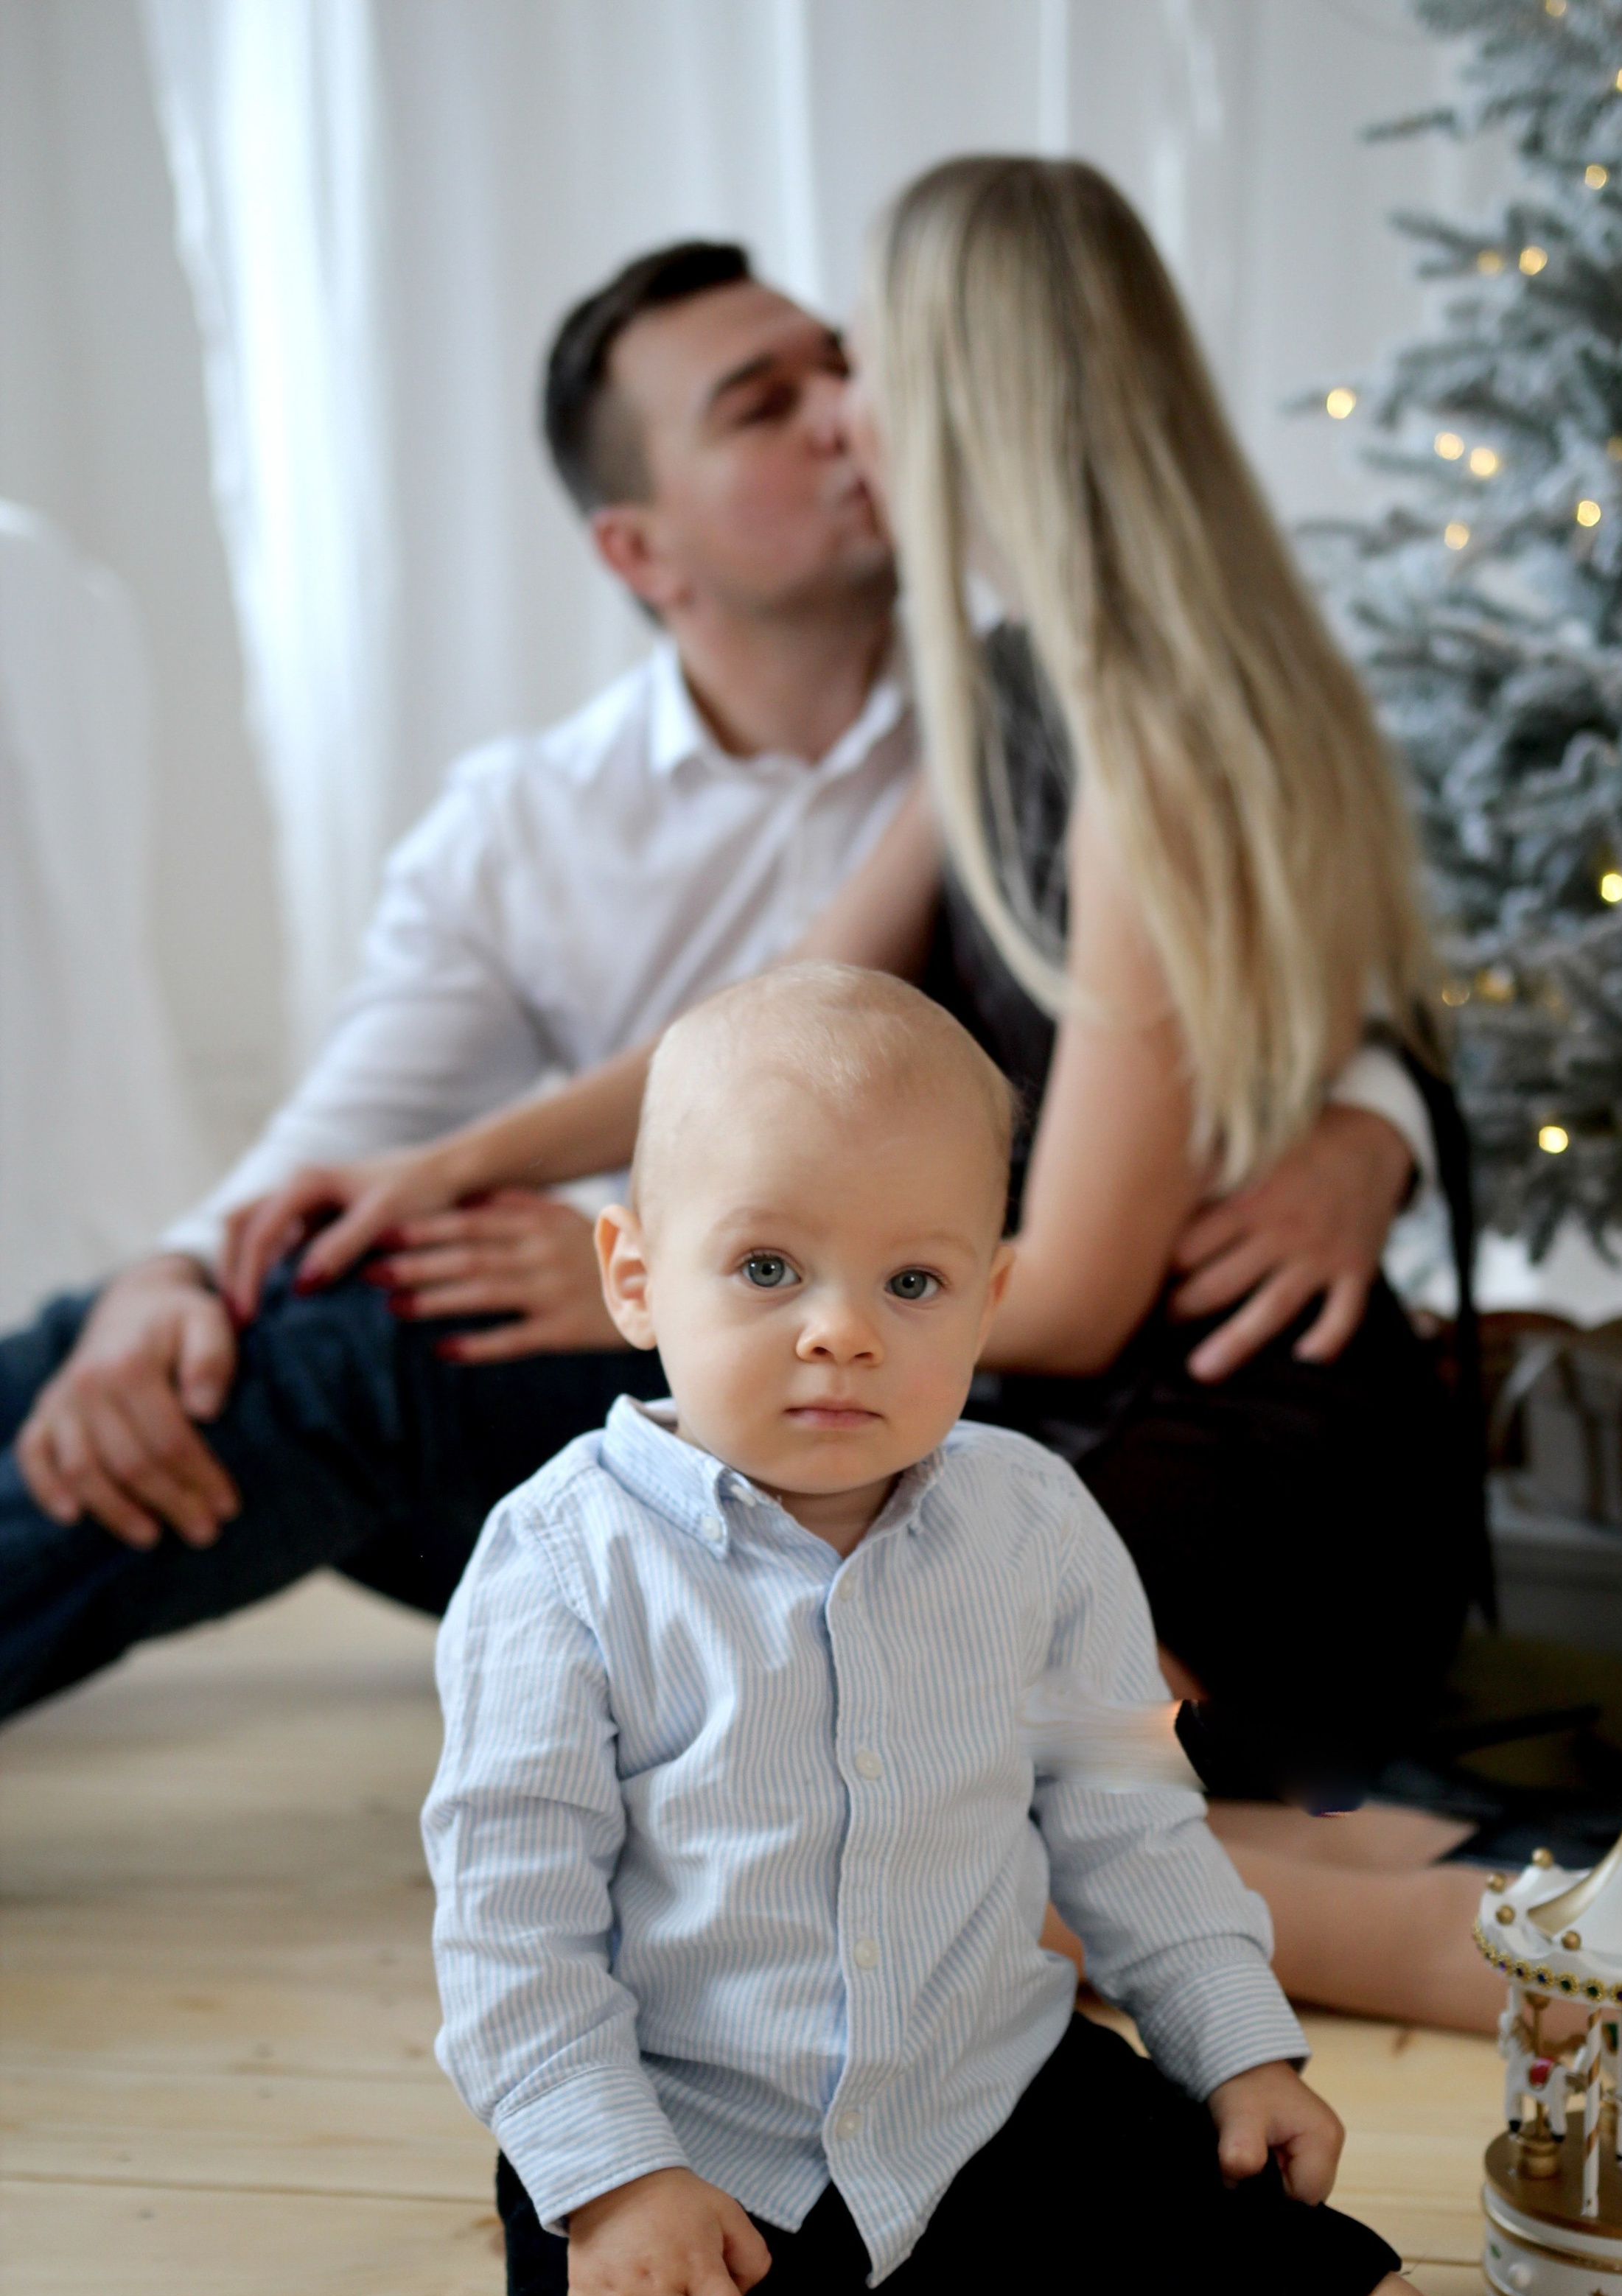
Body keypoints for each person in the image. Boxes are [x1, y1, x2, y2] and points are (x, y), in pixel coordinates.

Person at [219, 168, 1503, 2028]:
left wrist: (678, 1291)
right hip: (1087, 1398)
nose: (840, 424)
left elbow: (1054, 1289)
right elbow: (768, 1021)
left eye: (863, 374)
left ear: (965, 404)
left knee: (900, 1833)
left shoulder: (1149, 746)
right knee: (862, 1767)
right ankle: (1426, 1872)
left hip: (1236, 1439)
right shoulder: (1003, 695)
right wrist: (458, 1160)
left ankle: (1492, 1945)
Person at [427, 962, 1622, 2296]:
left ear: (988, 1299)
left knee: (1252, 2247)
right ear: (632, 1272)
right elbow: (510, 1928)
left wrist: (1236, 2043)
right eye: (765, 1268)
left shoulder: (1036, 1526)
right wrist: (608, 2183)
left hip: (981, 2080)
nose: (838, 1327)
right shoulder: (559, 1568)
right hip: (698, 2125)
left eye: (909, 1279)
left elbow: (1130, 1819)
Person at [0, 234, 1425, 1733]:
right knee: (266, 1295)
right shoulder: (531, 824)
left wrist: (1370, 1127)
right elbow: (354, 1149)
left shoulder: (1054, 714)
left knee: (367, 1347)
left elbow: (1305, 961)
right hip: (779, 1352)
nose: (836, 416)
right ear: (642, 551)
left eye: (848, 371)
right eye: (764, 403)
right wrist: (168, 1277)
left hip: (943, 1374)